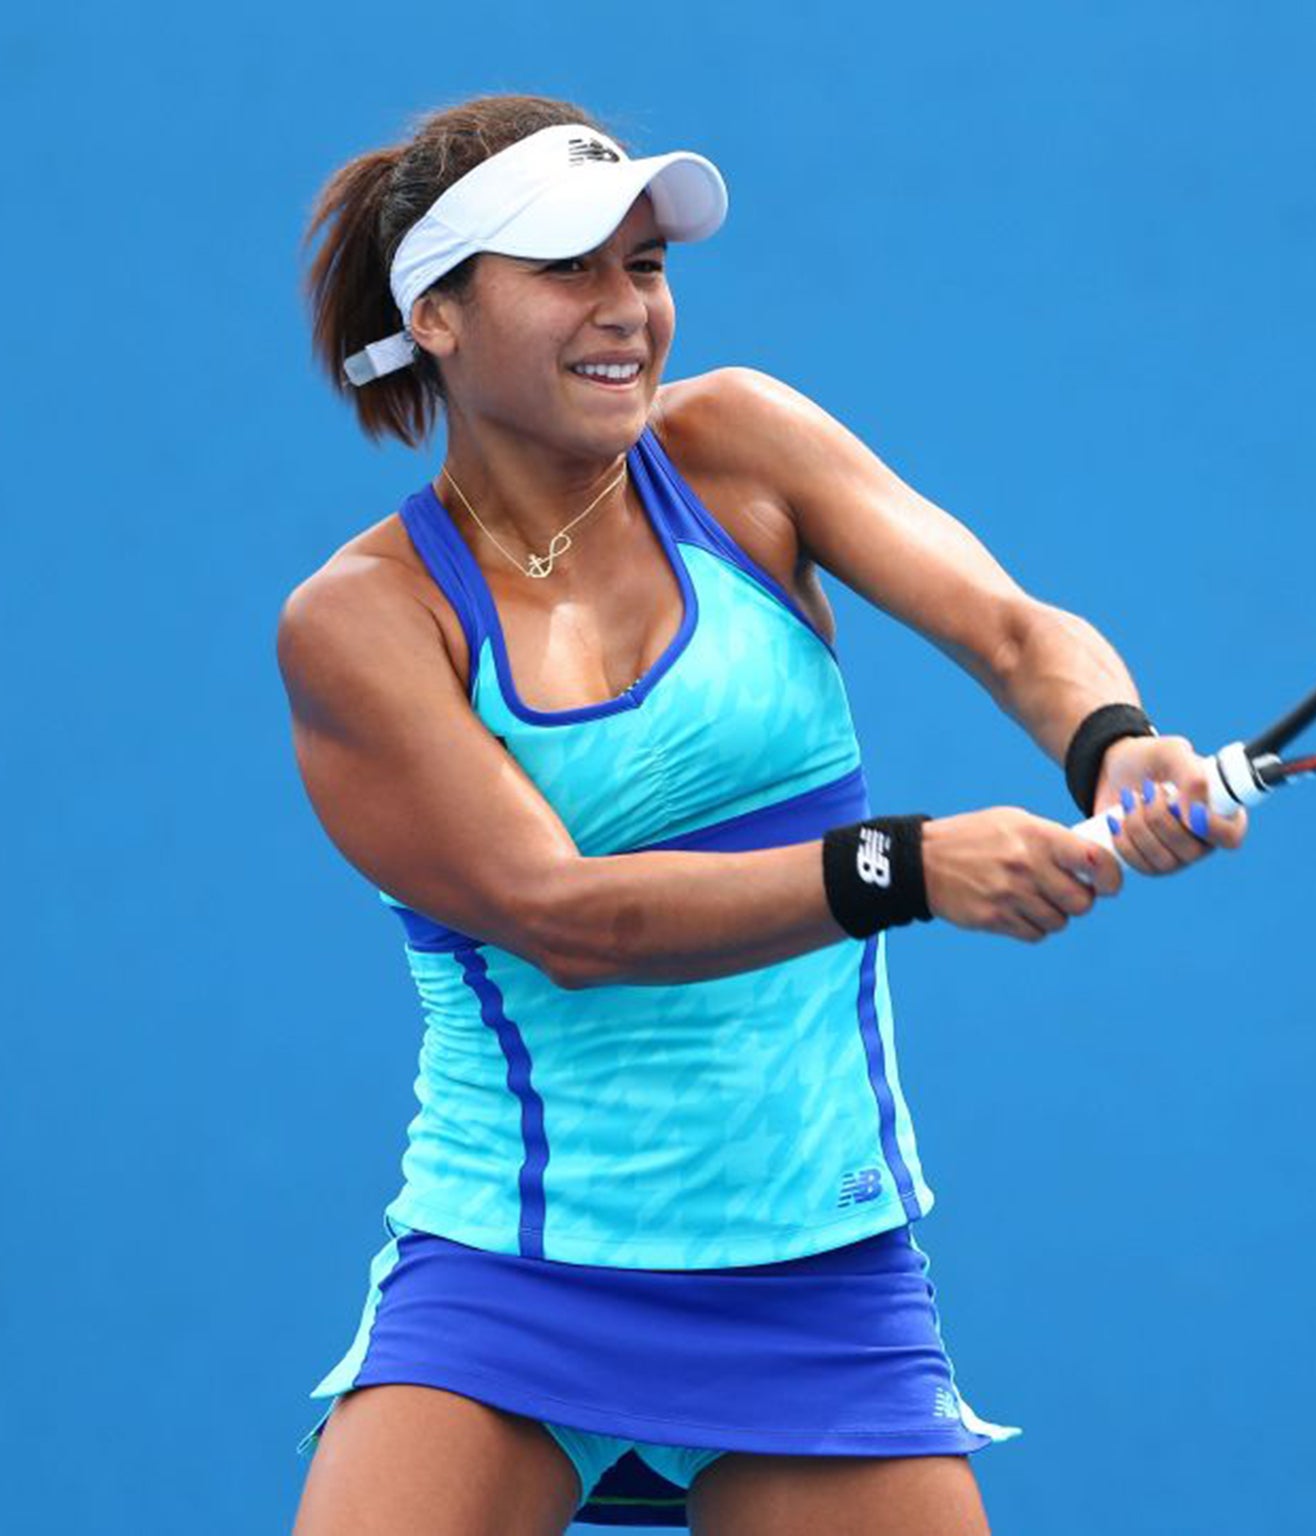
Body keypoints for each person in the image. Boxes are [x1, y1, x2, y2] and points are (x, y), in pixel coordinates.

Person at [282, 93, 1246, 1536]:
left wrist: (1110, 745)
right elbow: (567, 917)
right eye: (567, 270)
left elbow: (1011, 630)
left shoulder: (741, 445)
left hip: (815, 1266)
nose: (625, 313)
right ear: (437, 314)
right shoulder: (365, 621)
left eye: (646, 268)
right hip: (511, 1276)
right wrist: (907, 867)